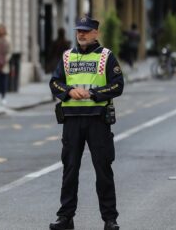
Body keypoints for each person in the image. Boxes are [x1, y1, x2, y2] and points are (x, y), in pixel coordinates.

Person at [49, 16, 124, 230]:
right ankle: (65, 217)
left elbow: (117, 85)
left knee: (103, 169)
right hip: (72, 121)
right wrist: (69, 91)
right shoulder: (67, 57)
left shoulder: (106, 57)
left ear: (95, 33)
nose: (81, 34)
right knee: (70, 170)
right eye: (79, 30)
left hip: (98, 119)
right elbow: (55, 82)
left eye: (86, 30)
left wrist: (92, 93)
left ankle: (110, 219)